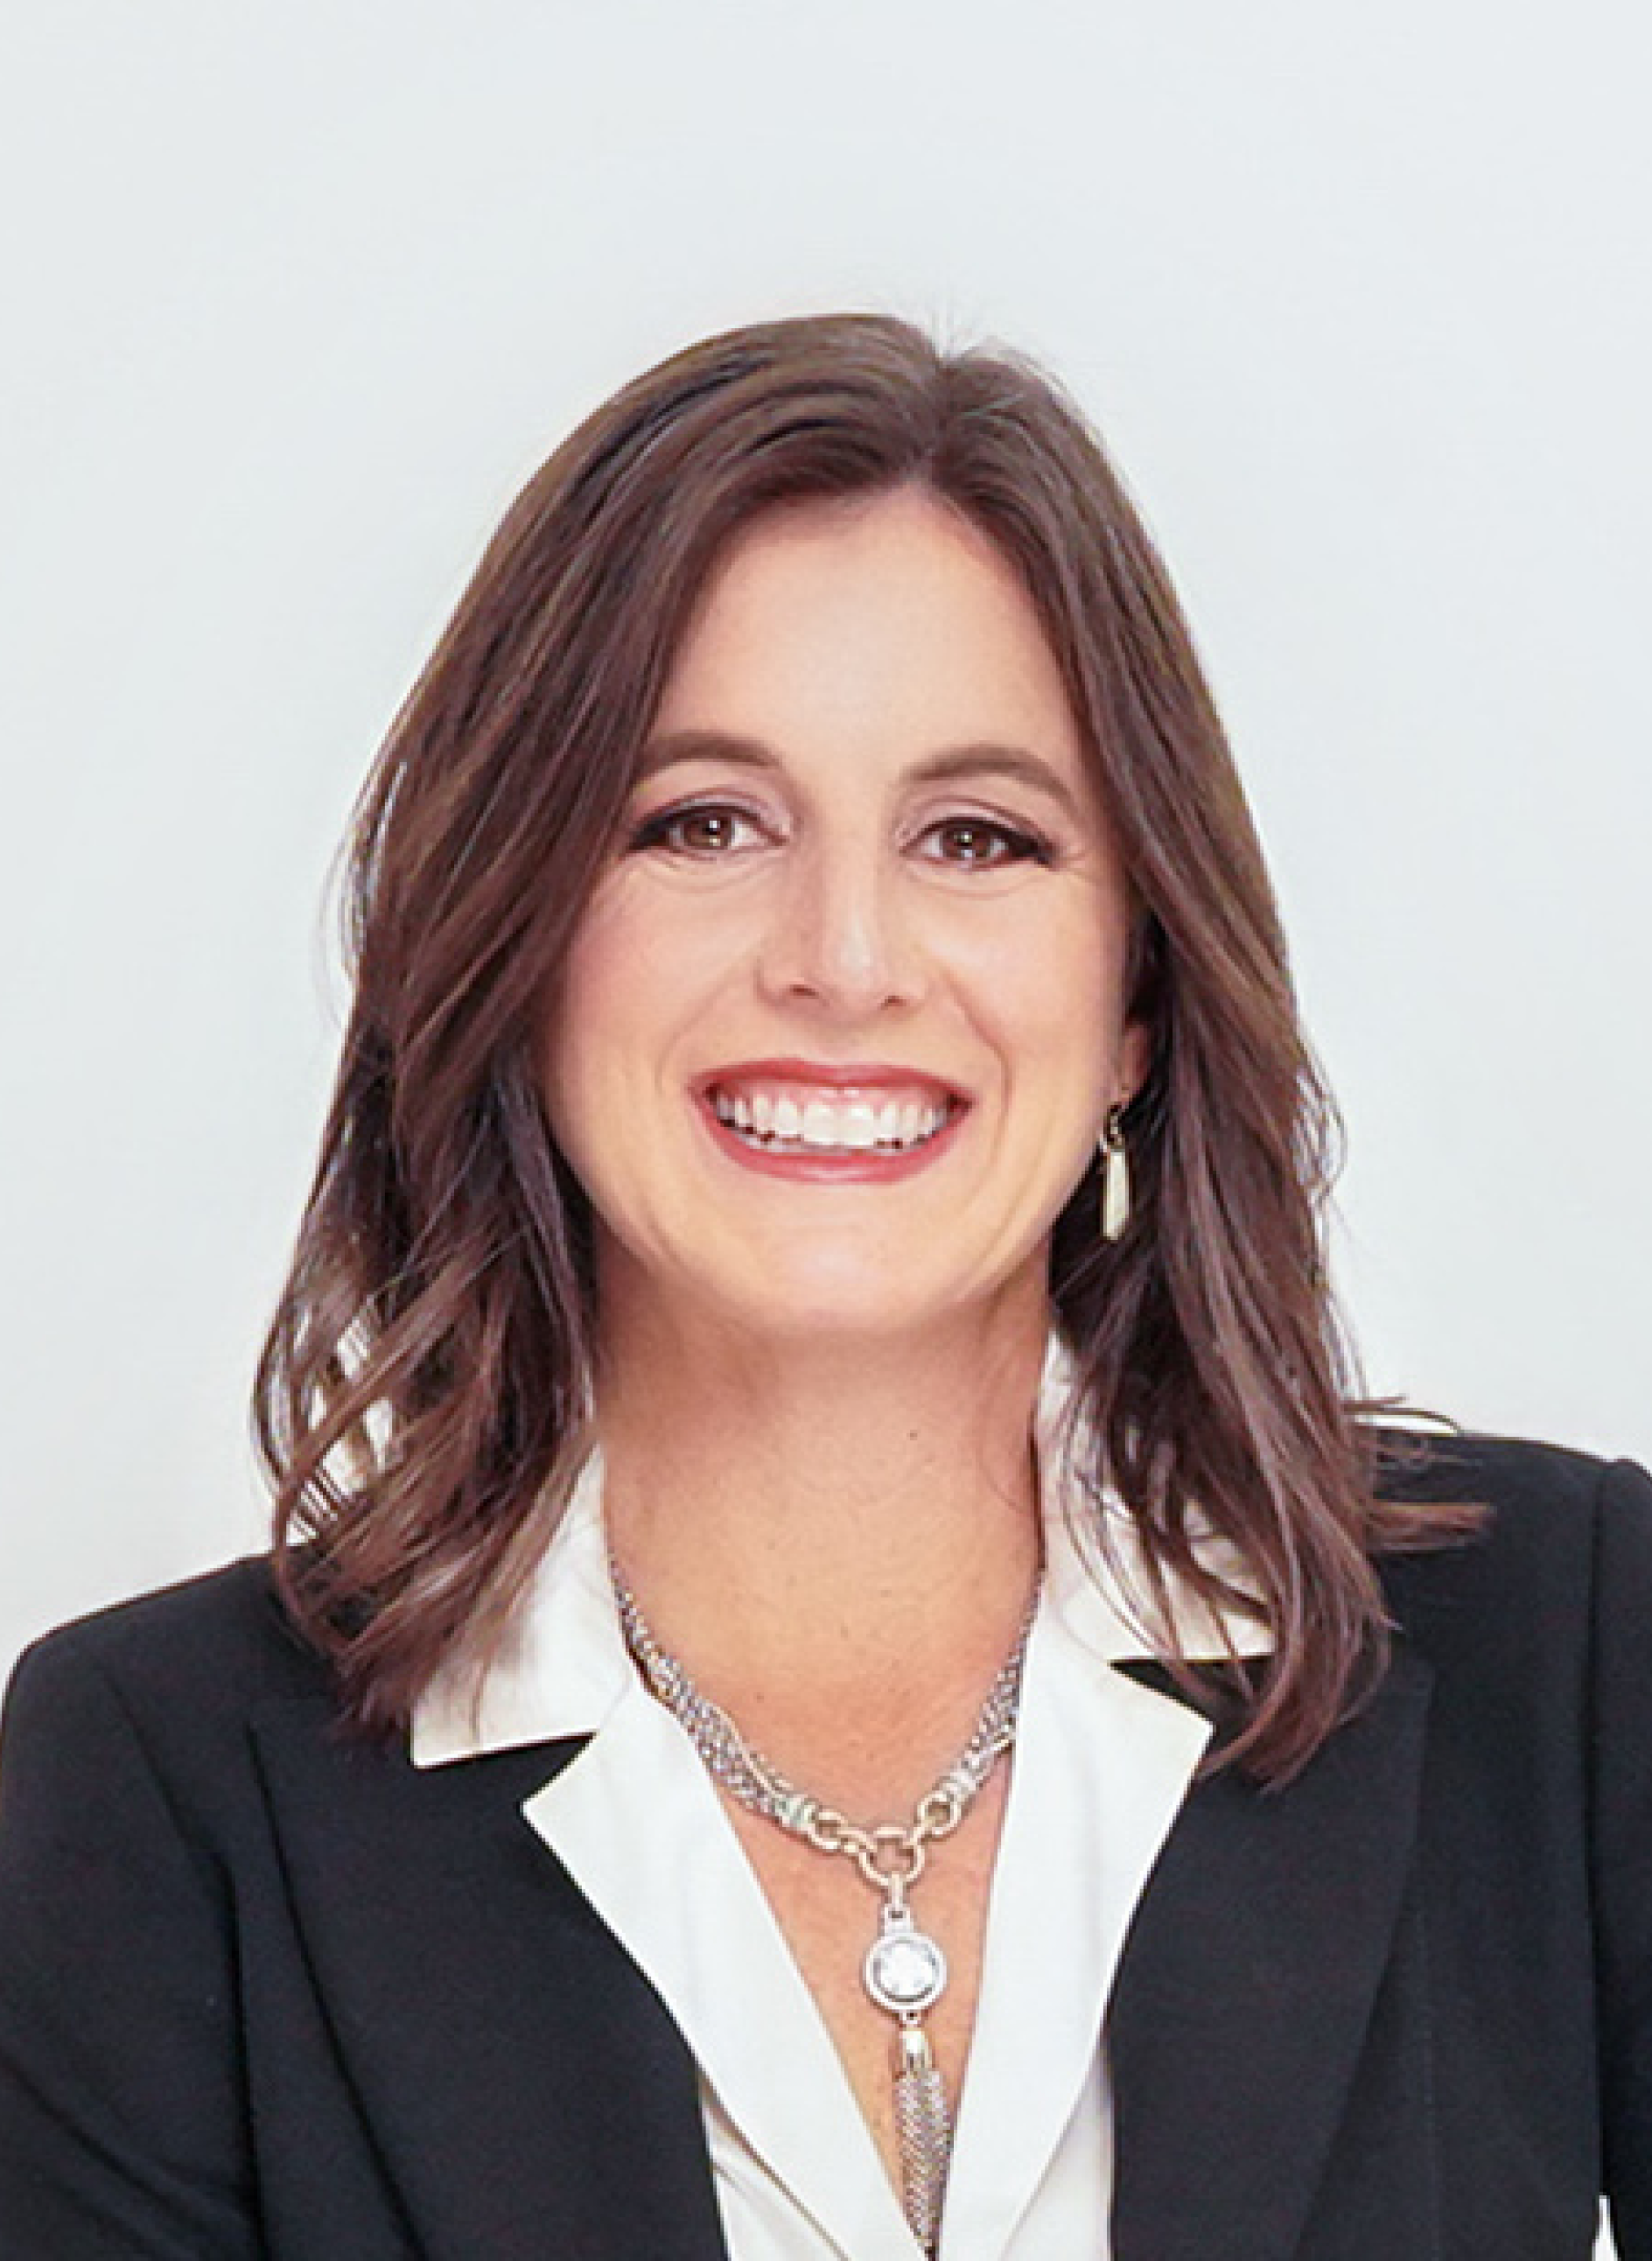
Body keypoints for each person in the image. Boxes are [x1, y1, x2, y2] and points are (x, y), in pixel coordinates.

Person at [0, 313, 1647, 2261]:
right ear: (516, 946)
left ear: (1132, 997)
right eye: (700, 820)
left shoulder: (1568, 1648)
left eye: (978, 835)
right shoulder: (153, 1783)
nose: (845, 956)